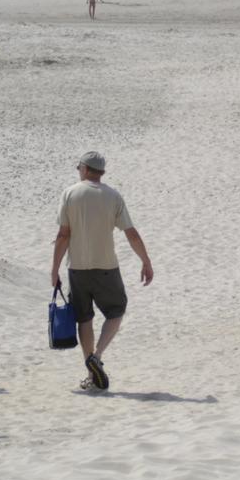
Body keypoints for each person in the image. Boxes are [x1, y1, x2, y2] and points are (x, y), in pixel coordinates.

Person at [50, 151, 154, 391]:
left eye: (79, 168)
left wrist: (54, 268)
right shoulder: (113, 196)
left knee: (84, 318)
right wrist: (145, 261)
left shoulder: (70, 193)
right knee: (116, 311)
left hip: (77, 268)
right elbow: (131, 233)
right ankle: (96, 356)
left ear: (85, 169)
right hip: (107, 266)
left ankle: (91, 373)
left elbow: (63, 234)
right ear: (101, 172)